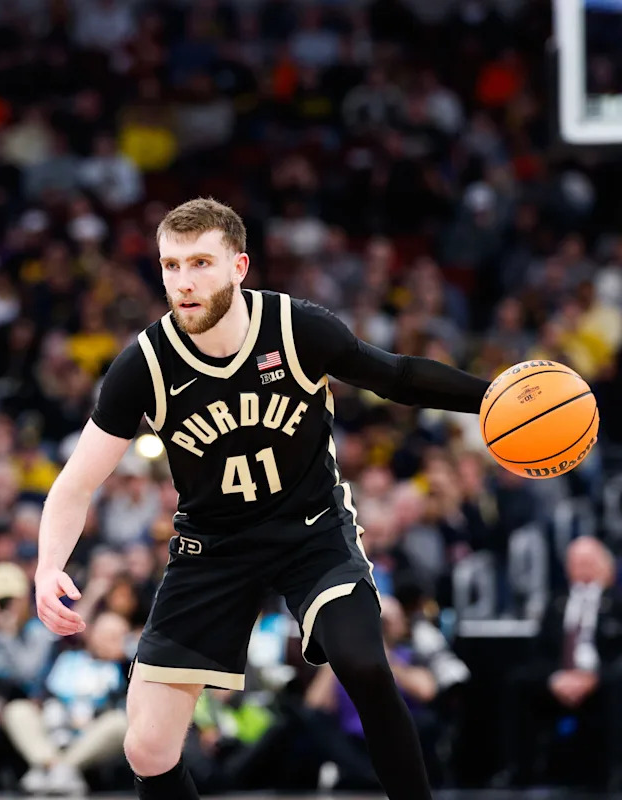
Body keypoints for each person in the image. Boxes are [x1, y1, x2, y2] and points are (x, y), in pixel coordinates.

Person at [35, 198, 505, 800]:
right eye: (171, 265)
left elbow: (398, 377)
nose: (183, 281)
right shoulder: (144, 365)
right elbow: (75, 483)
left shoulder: (296, 327)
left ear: (239, 266)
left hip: (311, 530)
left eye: (200, 263)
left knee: (362, 662)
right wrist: (48, 566)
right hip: (213, 548)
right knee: (146, 747)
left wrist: (492, 396)